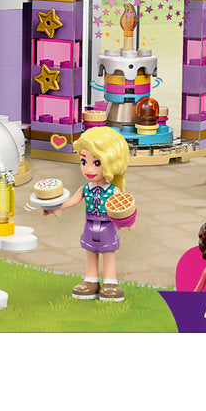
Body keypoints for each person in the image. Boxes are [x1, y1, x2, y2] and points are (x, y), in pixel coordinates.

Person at [52, 126, 131, 302]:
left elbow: (122, 208)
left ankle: (110, 282)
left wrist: (127, 222)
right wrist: (59, 207)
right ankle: (91, 280)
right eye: (83, 161)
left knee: (108, 253)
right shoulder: (86, 188)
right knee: (90, 252)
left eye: (96, 163)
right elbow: (74, 200)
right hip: (89, 225)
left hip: (107, 226)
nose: (89, 168)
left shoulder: (113, 190)